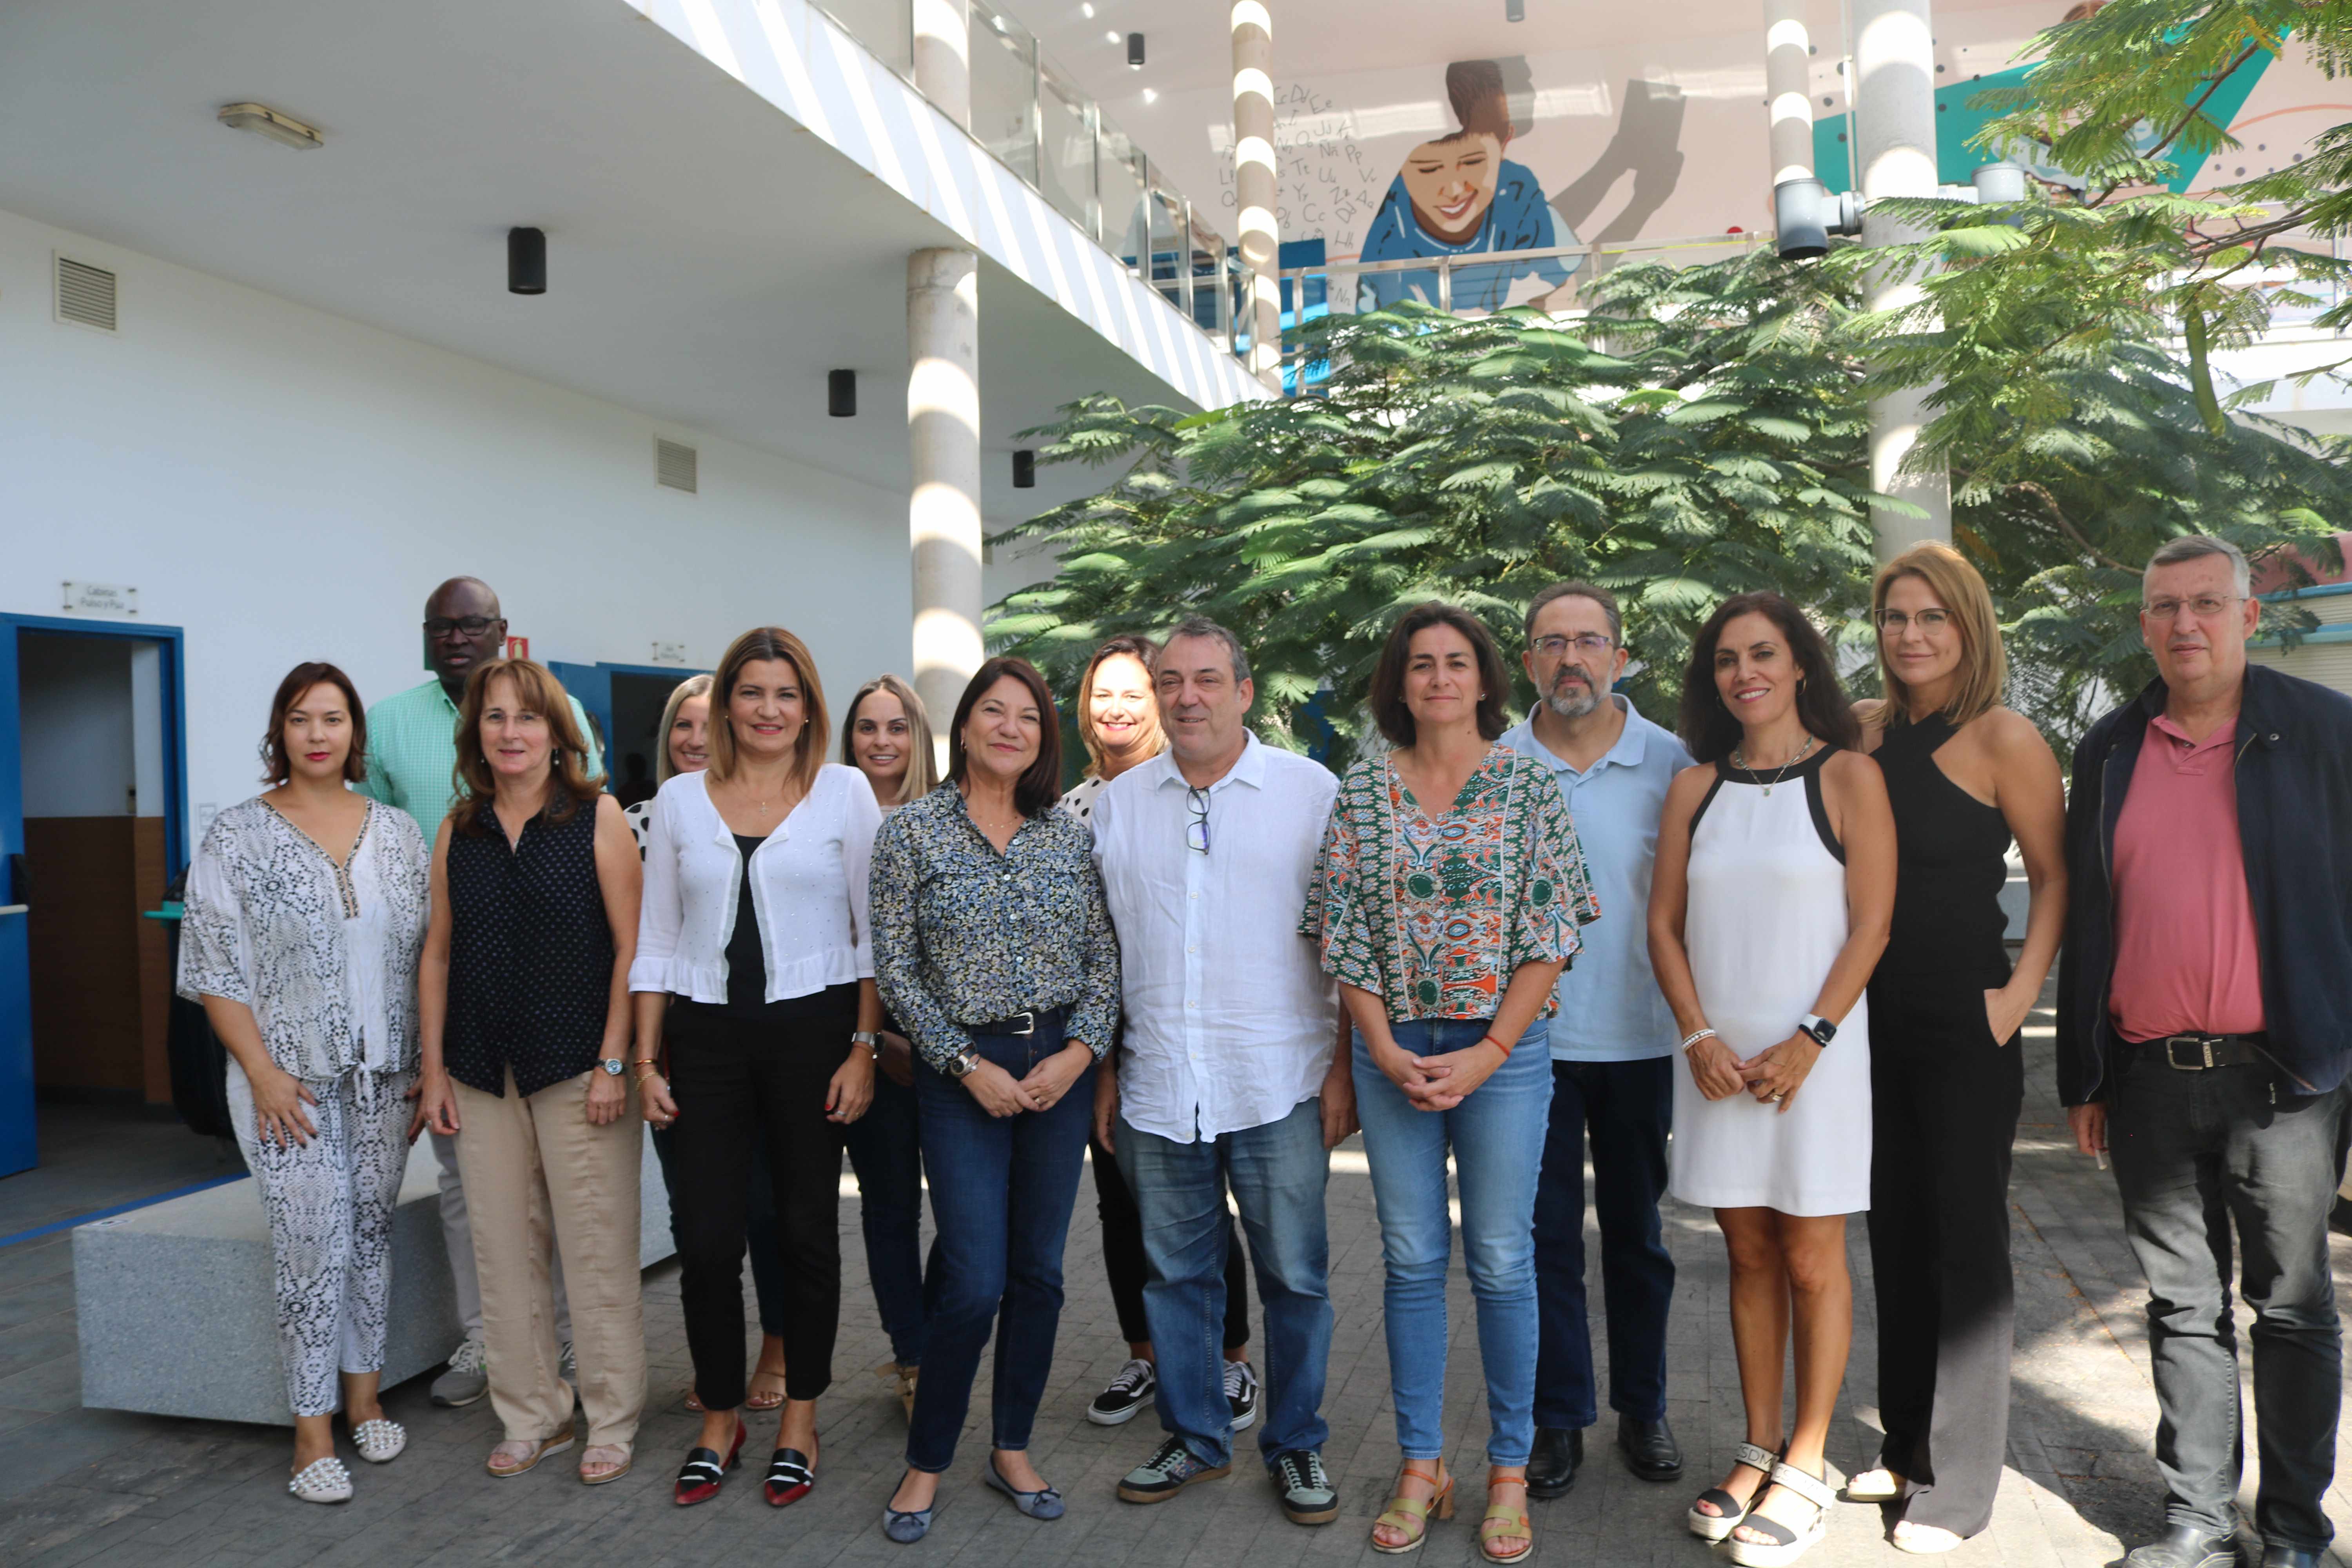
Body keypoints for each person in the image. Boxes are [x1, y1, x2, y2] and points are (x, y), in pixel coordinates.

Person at [2056, 536, 2352, 1568]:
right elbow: (2089, 921)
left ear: (2247, 617)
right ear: (2144, 624)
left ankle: (2296, 1533)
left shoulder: (2324, 733)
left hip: (2288, 1084)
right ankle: (2194, 1519)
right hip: (2147, 1078)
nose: (2186, 625)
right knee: (2183, 1309)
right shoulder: (2109, 751)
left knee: (2294, 1308)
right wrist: (2082, 1075)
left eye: (2207, 605)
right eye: (2165, 607)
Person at [1300, 601, 1597, 1564]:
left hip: (1500, 1052)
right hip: (1395, 1049)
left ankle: (1509, 1467)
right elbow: (1340, 933)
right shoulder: (1361, 789)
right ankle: (1422, 1462)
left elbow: (1553, 934)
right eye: (1419, 664)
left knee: (1504, 1259)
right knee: (1412, 1258)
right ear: (1399, 683)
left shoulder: (1527, 785)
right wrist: (1380, 1048)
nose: (1437, 678)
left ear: (1483, 678)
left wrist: (1490, 1050)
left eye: (1455, 662)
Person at [1648, 591, 1895, 1568]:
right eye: (1724, 659)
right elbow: (1663, 925)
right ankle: (1756, 1444)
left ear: (1800, 665)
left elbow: (1872, 925)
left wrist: (1810, 1038)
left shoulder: (1850, 777)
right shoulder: (1693, 788)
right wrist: (1697, 1033)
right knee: (1746, 1255)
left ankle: (1805, 1460)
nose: (1743, 671)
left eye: (1763, 653)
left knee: (1811, 1259)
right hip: (1716, 1063)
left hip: (1816, 1065)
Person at [1089, 618, 1351, 1525]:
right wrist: (1108, 1067)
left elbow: (1352, 943)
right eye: (1171, 680)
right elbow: (1107, 952)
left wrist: (1345, 1069)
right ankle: (1196, 1437)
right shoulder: (1117, 805)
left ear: (1245, 689)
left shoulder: (1311, 791)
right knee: (1176, 1277)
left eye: (1207, 679)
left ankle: (1296, 1443)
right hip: (1159, 1080)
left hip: (1277, 1076)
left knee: (1295, 1277)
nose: (1187, 696)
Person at [868, 657, 1120, 1544]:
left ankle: (1011, 1445)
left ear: (1043, 738)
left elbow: (1102, 958)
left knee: (1039, 1275)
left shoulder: (1067, 835)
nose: (1010, 726)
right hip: (960, 1076)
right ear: (965, 724)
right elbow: (894, 968)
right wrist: (962, 1061)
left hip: (1057, 1066)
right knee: (973, 1280)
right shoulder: (912, 833)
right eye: (993, 710)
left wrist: (1080, 1053)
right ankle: (927, 1457)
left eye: (1028, 716)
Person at [1848, 543, 2067, 1552]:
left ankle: (1961, 1490)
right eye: (1896, 617)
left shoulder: (2003, 736)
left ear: (1969, 626)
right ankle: (1905, 1445)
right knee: (1895, 1232)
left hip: (1964, 1025)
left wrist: (2017, 995)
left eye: (1932, 616)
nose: (1911, 634)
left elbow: (2057, 878)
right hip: (1869, 1023)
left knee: (1967, 1248)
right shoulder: (1867, 730)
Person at [631, 628, 882, 1508]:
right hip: (702, 1041)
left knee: (807, 1232)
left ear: (809, 706)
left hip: (812, 1036)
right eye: (752, 693)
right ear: (727, 703)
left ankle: (802, 1417)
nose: (768, 710)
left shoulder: (847, 794)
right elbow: (657, 936)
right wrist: (644, 1055)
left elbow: (872, 937)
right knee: (705, 1240)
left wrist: (863, 1047)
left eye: (786, 694)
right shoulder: (678, 800)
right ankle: (720, 1414)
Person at [177, 662, 430, 1503]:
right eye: (300, 717)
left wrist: (425, 1066)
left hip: (384, 1080)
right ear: (278, 732)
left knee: (369, 1230)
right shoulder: (237, 835)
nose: (318, 733)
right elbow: (216, 968)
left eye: (333, 717)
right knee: (312, 1241)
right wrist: (262, 1073)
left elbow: (426, 954)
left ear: (356, 731)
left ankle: (366, 1397)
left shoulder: (397, 831)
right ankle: (311, 1430)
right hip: (288, 1084)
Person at [360, 576, 602, 1408]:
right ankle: (485, 1336)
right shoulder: (389, 721)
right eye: (441, 625)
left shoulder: (551, 706)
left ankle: (560, 1337)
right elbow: (382, 849)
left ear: (502, 630)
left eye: (472, 624)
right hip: (453, 989)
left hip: (551, 989)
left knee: (559, 1187)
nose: (456, 636)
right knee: (470, 1187)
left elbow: (585, 806)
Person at [411, 657, 645, 1486]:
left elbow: (630, 951)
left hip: (582, 1068)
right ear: (476, 733)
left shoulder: (597, 816)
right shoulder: (458, 827)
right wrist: (434, 1068)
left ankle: (610, 1417)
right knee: (504, 1253)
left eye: (527, 717)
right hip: (480, 1070)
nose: (510, 732)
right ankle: (532, 1413)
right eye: (494, 717)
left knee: (595, 1250)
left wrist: (617, 1059)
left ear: (558, 734)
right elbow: (436, 952)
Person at [1499, 584, 1693, 1499]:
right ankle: (1558, 1417)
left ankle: (1644, 1406)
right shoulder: (1493, 763)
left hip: (1643, 1037)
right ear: (1527, 659)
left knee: (1639, 1237)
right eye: (1551, 643)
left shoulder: (1675, 763)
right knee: (1542, 1242)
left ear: (1620, 656)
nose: (1569, 658)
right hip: (1524, 1045)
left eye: (1588, 641)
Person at [1062, 634, 1260, 1433]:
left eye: (1133, 693)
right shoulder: (1074, 804)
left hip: (1194, 1038)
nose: (1116, 708)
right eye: (1101, 694)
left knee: (1204, 1207)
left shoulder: (1189, 790)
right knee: (1120, 1205)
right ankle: (1146, 1351)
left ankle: (1230, 1357)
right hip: (1100, 1041)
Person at [628, 673, 796, 1418]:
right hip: (675, 1047)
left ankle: (778, 1348)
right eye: (681, 728)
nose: (695, 739)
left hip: (760, 1040)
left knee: (765, 1206)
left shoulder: (782, 809)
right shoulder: (642, 819)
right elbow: (643, 942)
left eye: (707, 724)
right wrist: (638, 1055)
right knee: (697, 1217)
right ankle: (715, 1361)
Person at [840, 673, 944, 1418]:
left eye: (897, 727)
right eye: (868, 728)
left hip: (949, 1046)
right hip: (863, 1041)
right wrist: (872, 1041)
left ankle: (938, 1331)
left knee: (973, 1213)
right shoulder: (825, 817)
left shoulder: (949, 816)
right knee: (889, 1209)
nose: (881, 742)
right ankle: (913, 1356)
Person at [1358, 59, 1577, 312]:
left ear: (1503, 148)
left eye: (1474, 163)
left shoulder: (1516, 188)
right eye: (1430, 170)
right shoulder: (1399, 207)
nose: (1453, 190)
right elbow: (1372, 308)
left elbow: (1566, 278)